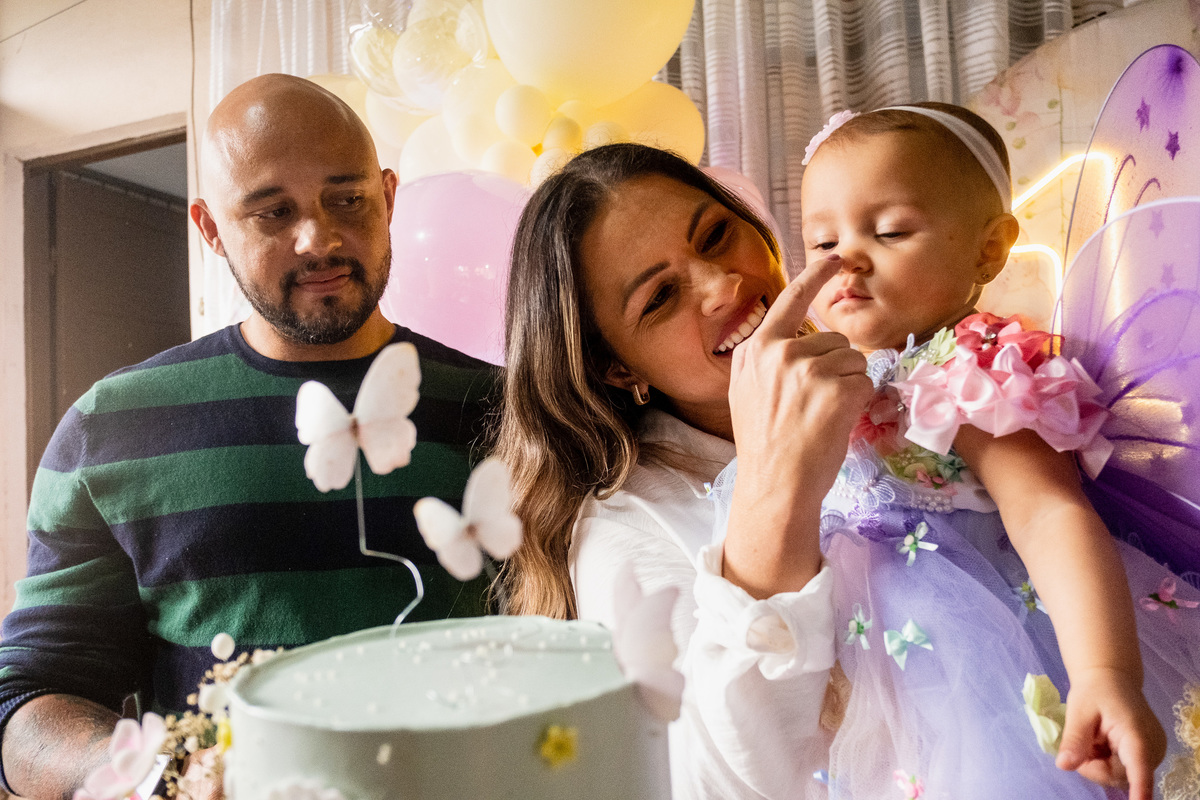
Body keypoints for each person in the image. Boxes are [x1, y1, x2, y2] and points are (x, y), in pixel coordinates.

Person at [0, 74, 497, 799]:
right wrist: (163, 775)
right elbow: (29, 698)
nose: (318, 239)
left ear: (389, 198)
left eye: (347, 200)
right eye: (272, 212)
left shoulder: (508, 408)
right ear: (210, 229)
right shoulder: (108, 430)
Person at [783, 102, 1200, 799]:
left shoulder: (970, 367)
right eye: (823, 241)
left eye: (889, 231)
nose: (846, 258)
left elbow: (1047, 513)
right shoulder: (848, 377)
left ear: (988, 248)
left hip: (994, 665)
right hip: (899, 686)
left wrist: (1105, 674)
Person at [494, 142, 875, 799]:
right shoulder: (623, 530)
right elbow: (715, 784)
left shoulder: (886, 369)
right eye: (661, 297)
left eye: (718, 235)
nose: (724, 286)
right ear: (618, 368)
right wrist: (775, 487)